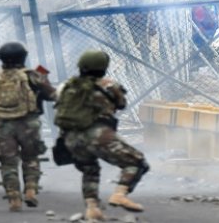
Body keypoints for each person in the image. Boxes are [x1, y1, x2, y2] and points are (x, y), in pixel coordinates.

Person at [53, 50, 149, 220]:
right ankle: (120, 194)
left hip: (70, 139)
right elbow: (121, 104)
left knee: (90, 169)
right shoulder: (109, 86)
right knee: (137, 161)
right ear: (103, 67)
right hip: (98, 135)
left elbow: (58, 104)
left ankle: (92, 208)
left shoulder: (65, 86)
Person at [0, 42, 56, 212]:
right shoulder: (33, 75)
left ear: (1, 58)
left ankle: (14, 197)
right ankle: (30, 190)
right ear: (24, 57)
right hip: (29, 123)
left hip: (2, 125)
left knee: (8, 162)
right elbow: (52, 95)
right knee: (31, 158)